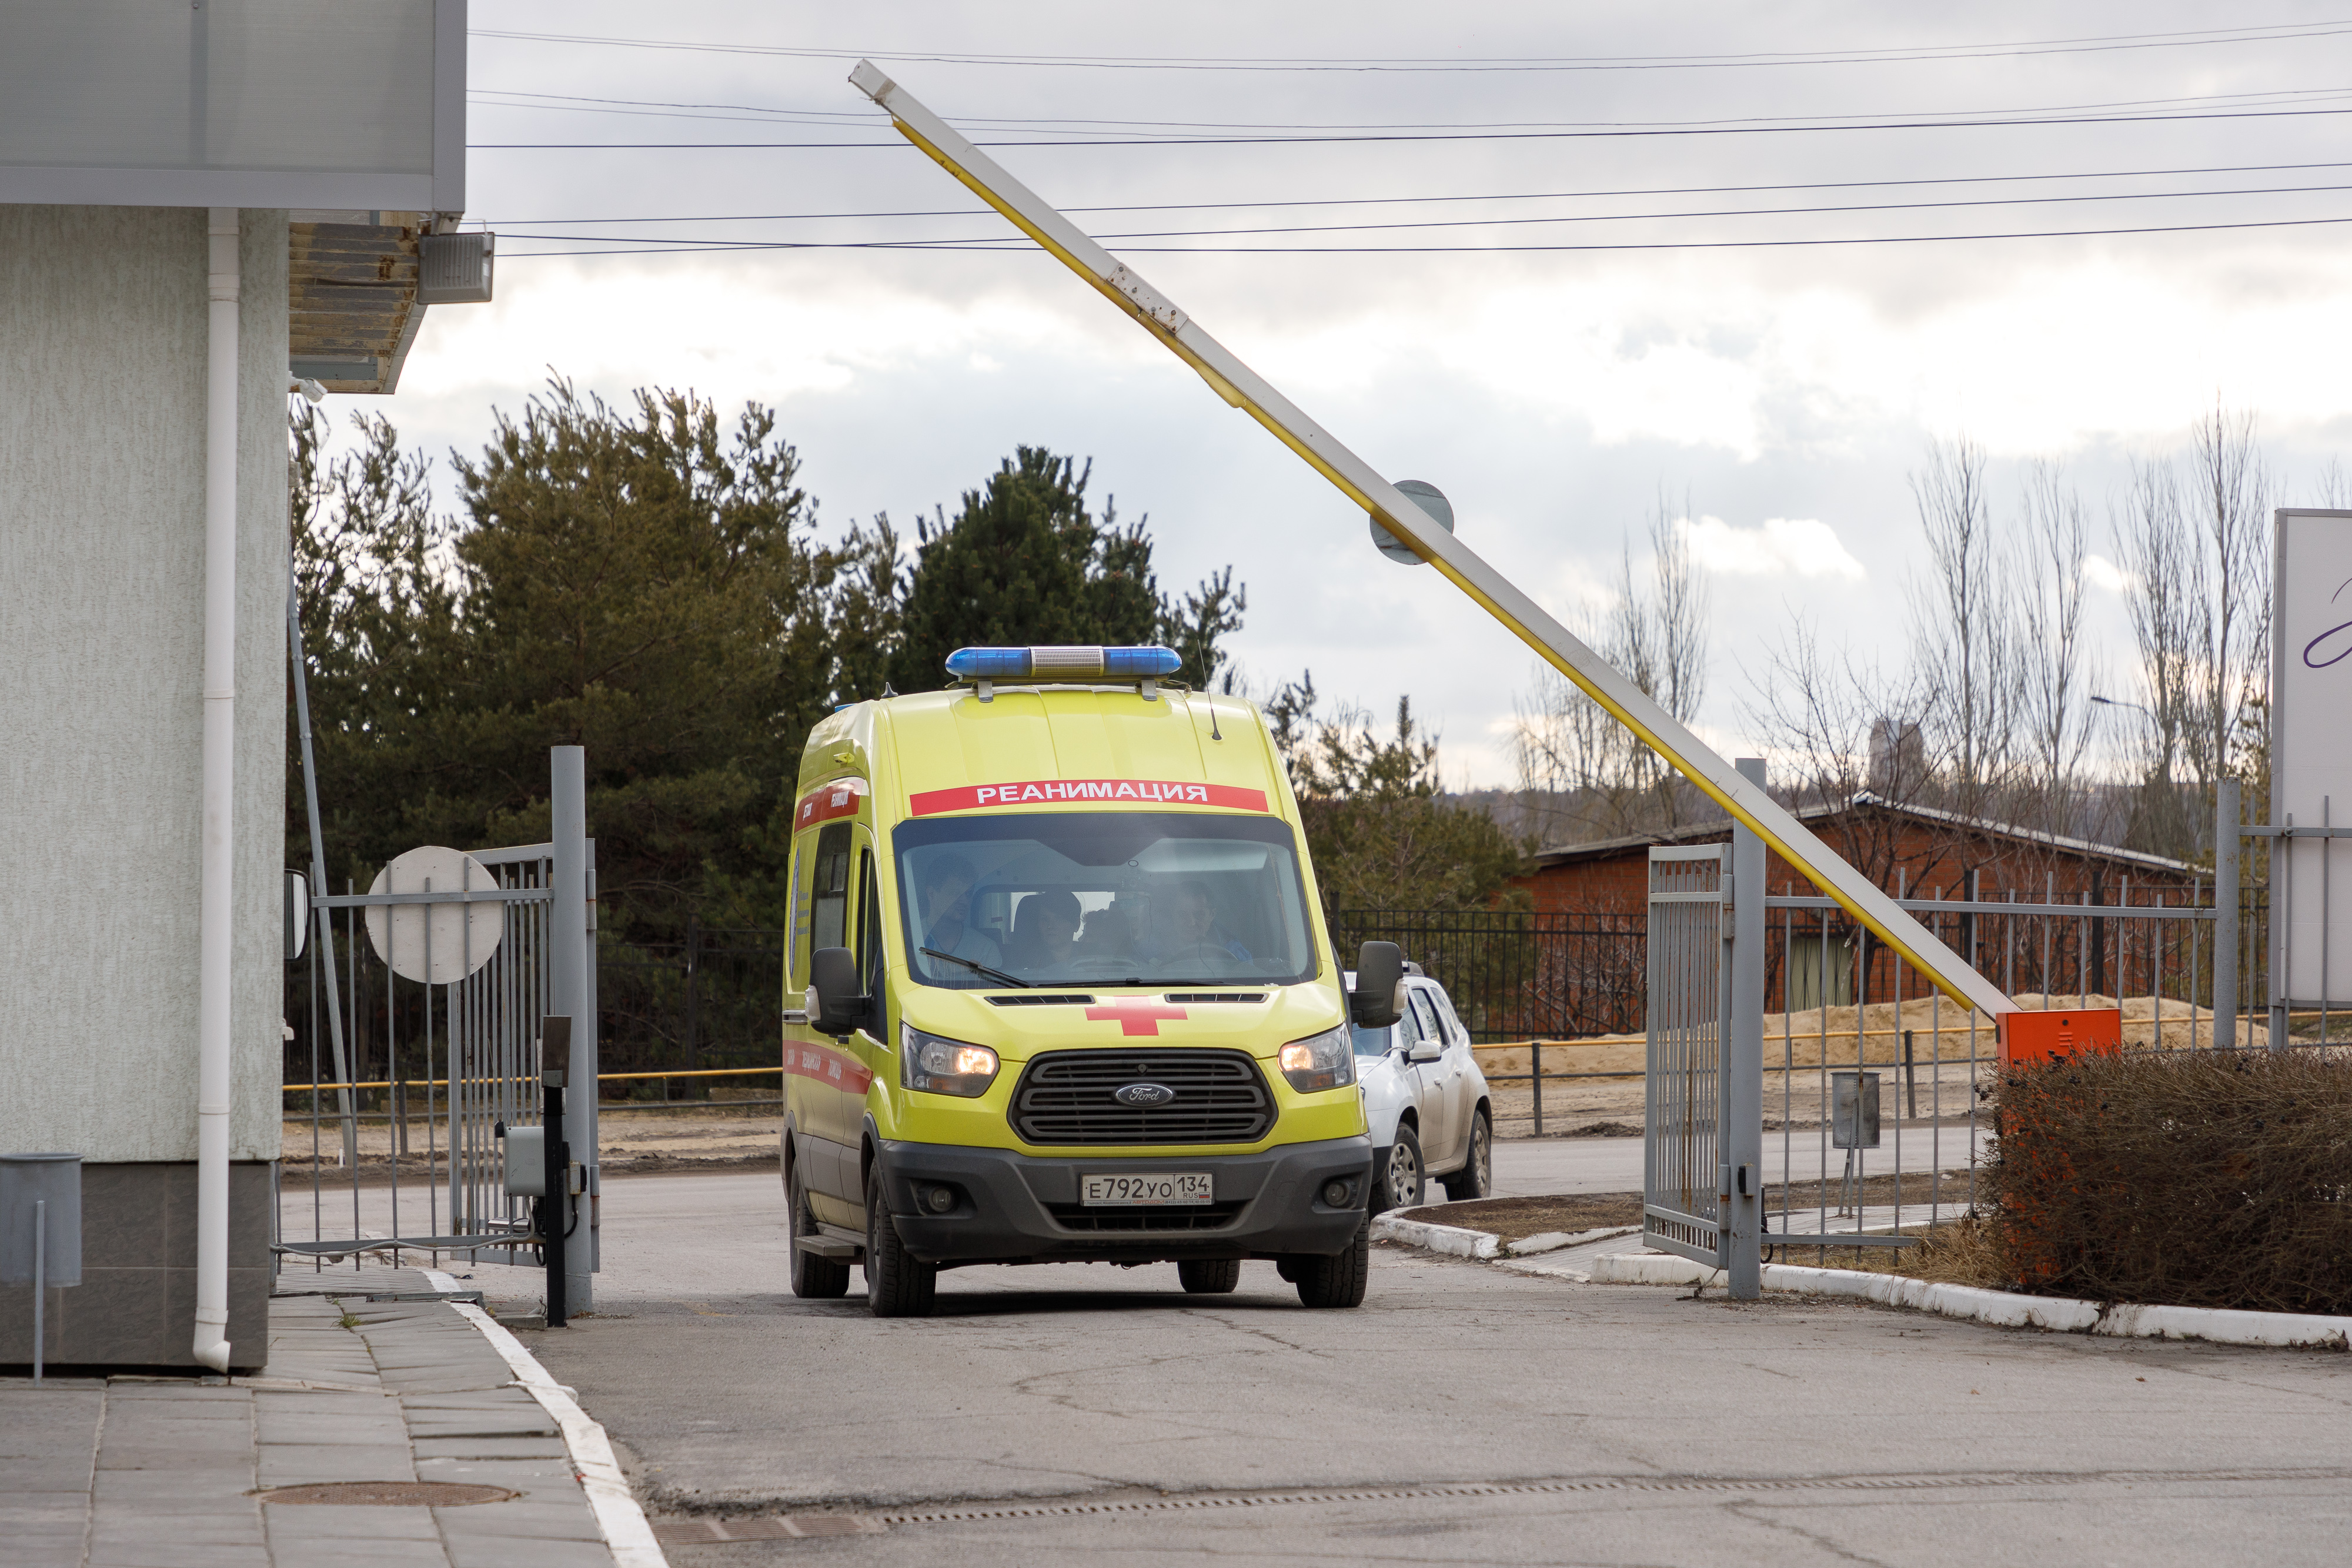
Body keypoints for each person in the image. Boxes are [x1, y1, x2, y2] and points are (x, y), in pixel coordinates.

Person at [916, 854, 1001, 971]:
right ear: (931, 894)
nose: (965, 901)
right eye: (955, 893)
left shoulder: (985, 949)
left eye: (968, 894)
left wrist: (980, 979)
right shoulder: (910, 940)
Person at [1147, 879, 1251, 962]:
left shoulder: (1233, 951)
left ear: (1212, 915)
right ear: (1172, 914)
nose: (1191, 923)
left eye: (1199, 915)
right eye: (1182, 915)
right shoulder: (1152, 945)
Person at [1007, 889, 1081, 972]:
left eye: (1059, 919)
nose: (1050, 926)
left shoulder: (1093, 958)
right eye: (1045, 919)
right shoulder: (1021, 961)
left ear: (1076, 924)